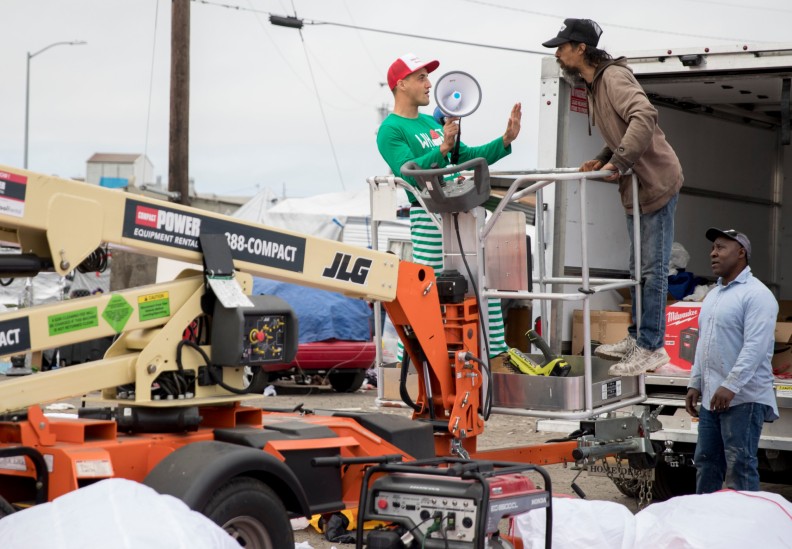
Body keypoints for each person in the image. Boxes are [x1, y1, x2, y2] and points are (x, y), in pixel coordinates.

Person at [542, 19, 684, 376]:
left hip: (657, 183)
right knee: (638, 271)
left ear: (580, 48)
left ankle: (652, 348)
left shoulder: (614, 78)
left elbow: (644, 115)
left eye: (562, 46)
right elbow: (620, 126)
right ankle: (639, 339)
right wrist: (605, 158)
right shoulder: (594, 84)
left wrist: (619, 161)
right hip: (637, 188)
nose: (557, 53)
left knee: (652, 272)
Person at [376, 53, 521, 359]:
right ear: (401, 85)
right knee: (431, 290)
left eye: (428, 77)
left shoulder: (430, 121)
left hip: (461, 214)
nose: (430, 85)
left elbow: (466, 155)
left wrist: (505, 140)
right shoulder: (391, 129)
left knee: (482, 283)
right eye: (421, 78)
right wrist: (442, 148)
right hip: (428, 217)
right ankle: (414, 359)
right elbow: (407, 170)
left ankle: (496, 355)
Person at [685, 228, 778, 493]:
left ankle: (744, 527)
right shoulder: (714, 295)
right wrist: (696, 383)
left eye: (721, 247)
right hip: (713, 397)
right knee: (706, 462)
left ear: (741, 253)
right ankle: (707, 521)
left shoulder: (757, 295)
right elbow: (704, 342)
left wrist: (731, 385)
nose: (713, 253)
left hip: (744, 398)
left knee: (740, 465)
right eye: (713, 248)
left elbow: (756, 347)